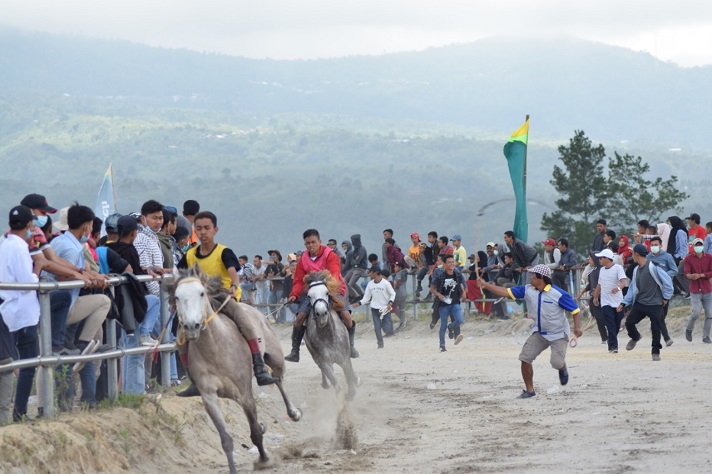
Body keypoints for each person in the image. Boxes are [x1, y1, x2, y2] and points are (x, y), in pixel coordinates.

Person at [176, 211, 276, 395]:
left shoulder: (224, 252)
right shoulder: (190, 254)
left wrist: (234, 285)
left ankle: (259, 367)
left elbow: (233, 271)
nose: (203, 232)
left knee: (245, 322)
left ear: (215, 230)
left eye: (207, 228)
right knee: (180, 336)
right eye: (199, 229)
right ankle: (193, 379)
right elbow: (178, 272)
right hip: (199, 299)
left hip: (222, 296)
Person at [478, 264, 582, 398]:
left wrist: (577, 328)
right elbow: (505, 292)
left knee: (556, 363)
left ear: (542, 277)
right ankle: (530, 390)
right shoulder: (527, 289)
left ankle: (562, 367)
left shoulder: (558, 294)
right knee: (525, 358)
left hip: (558, 334)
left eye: (533, 275)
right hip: (539, 332)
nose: (531, 277)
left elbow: (575, 310)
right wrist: (486, 285)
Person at [285, 229, 359, 362]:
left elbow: (335, 275)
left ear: (319, 241)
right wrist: (294, 294)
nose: (310, 245)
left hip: (334, 288)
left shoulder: (330, 255)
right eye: (307, 243)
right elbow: (298, 280)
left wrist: (330, 291)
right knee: (300, 317)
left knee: (346, 316)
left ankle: (351, 345)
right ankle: (295, 350)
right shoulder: (302, 259)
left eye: (313, 242)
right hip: (313, 293)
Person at [0, 206, 45, 421]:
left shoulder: (6, 244)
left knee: (13, 362)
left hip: (10, 309)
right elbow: (26, 284)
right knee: (27, 365)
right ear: (29, 225)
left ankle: (14, 410)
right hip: (22, 314)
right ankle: (19, 412)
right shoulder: (19, 247)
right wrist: (37, 271)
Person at [618, 244, 673, 361]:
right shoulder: (636, 270)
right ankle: (635, 337)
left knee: (655, 329)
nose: (632, 256)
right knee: (629, 322)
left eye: (633, 254)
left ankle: (655, 352)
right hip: (640, 303)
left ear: (637, 255)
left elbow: (668, 284)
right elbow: (633, 289)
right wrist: (624, 303)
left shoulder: (654, 268)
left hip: (655, 304)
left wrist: (665, 298)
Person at [430, 254, 468, 352]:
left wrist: (463, 293)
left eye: (452, 262)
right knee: (443, 325)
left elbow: (462, 285)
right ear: (445, 264)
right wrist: (439, 295)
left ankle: (451, 327)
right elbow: (432, 288)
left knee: (459, 320)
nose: (451, 264)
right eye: (449, 262)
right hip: (443, 304)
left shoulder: (457, 274)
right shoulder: (440, 275)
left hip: (455, 302)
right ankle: (442, 345)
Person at [593, 249, 627, 353]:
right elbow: (599, 285)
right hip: (605, 302)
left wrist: (617, 288)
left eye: (601, 258)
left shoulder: (618, 268)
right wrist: (595, 297)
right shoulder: (602, 270)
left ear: (607, 258)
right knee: (610, 323)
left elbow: (623, 282)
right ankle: (614, 347)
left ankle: (610, 342)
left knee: (616, 323)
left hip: (617, 301)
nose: (599, 260)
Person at [353, 266, 395, 349]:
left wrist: (390, 303)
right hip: (374, 309)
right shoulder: (370, 284)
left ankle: (389, 334)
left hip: (385, 309)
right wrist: (359, 303)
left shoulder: (386, 283)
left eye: (370, 272)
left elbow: (393, 294)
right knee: (377, 327)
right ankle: (380, 344)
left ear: (376, 273)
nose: (369, 274)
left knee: (387, 328)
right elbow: (366, 298)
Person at [647, 236, 677, 346]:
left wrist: (663, 276)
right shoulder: (648, 257)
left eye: (656, 245)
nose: (654, 247)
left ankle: (655, 328)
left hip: (665, 290)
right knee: (659, 315)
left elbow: (674, 270)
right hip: (653, 291)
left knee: (662, 315)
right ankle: (667, 338)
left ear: (660, 245)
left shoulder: (667, 257)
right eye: (652, 245)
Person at [683, 238, 712, 343]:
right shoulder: (688, 259)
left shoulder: (709, 257)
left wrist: (701, 275)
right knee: (696, 312)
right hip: (695, 290)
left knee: (710, 314)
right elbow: (686, 273)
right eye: (696, 245)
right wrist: (690, 276)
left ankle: (706, 336)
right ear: (693, 246)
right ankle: (689, 329)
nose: (698, 247)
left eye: (700, 244)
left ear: (703, 246)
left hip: (707, 289)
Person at [344, 234, 368, 303]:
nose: (351, 242)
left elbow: (357, 261)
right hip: (354, 268)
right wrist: (354, 261)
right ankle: (354, 295)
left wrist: (354, 261)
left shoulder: (362, 249)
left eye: (352, 240)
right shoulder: (355, 249)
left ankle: (361, 294)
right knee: (344, 281)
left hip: (361, 268)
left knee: (350, 284)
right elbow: (353, 261)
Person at [392, 260, 408, 330]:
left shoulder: (398, 273)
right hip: (404, 292)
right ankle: (403, 322)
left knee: (394, 307)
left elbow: (398, 281)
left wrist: (395, 286)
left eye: (396, 267)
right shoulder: (405, 272)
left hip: (399, 293)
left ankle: (403, 320)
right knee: (402, 308)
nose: (394, 268)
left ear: (400, 268)